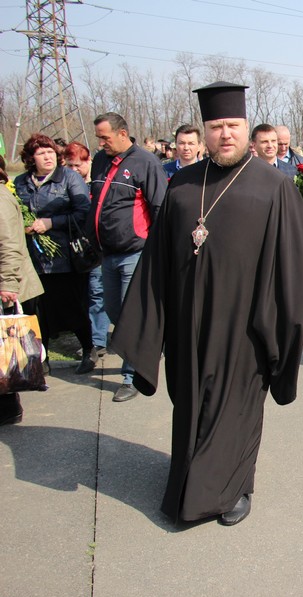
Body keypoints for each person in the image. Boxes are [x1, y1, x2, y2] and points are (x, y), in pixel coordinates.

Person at [112, 81, 303, 527]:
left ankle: (232, 488)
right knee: (190, 405)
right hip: (188, 325)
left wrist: (279, 327)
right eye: (217, 126)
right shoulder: (183, 184)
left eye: (234, 126)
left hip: (244, 329)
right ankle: (189, 476)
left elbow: (294, 268)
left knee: (234, 409)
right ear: (204, 132)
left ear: (246, 128)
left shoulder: (274, 187)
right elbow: (157, 261)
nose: (226, 134)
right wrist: (149, 326)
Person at [89, 112, 168, 402]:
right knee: (113, 311)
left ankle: (132, 375)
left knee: (129, 316)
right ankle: (148, 347)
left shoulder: (145, 162)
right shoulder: (101, 160)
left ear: (123, 133)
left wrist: (156, 251)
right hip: (105, 253)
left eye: (105, 137)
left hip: (135, 253)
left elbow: (159, 207)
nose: (101, 143)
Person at [14, 133, 95, 375]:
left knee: (70, 306)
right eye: (41, 153)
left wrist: (52, 222)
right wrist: (25, 225)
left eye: (50, 152)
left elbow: (83, 212)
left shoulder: (68, 178)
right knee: (37, 310)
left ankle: (88, 348)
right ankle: (42, 357)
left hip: (65, 255)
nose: (47, 156)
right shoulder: (20, 182)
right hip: (33, 258)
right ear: (31, 158)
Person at [0, 155, 44, 426]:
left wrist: (8, 283)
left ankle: (8, 406)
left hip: (5, 284)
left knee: (7, 350)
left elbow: (10, 245)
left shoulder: (1, 199)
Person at [63, 141, 109, 359]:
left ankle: (98, 339)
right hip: (76, 248)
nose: (73, 171)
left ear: (88, 161)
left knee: (97, 292)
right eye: (69, 166)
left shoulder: (98, 184)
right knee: (85, 295)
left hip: (97, 247)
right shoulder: (65, 186)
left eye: (77, 165)